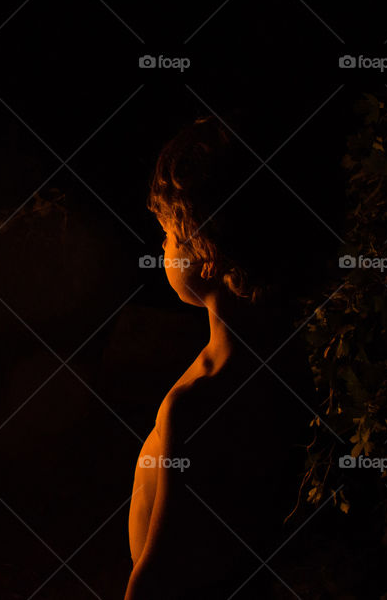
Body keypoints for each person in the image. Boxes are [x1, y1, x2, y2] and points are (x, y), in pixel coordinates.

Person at [125, 116, 312, 599]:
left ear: (207, 253)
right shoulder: (285, 361)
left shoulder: (198, 403)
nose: (161, 246)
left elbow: (159, 577)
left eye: (169, 234)